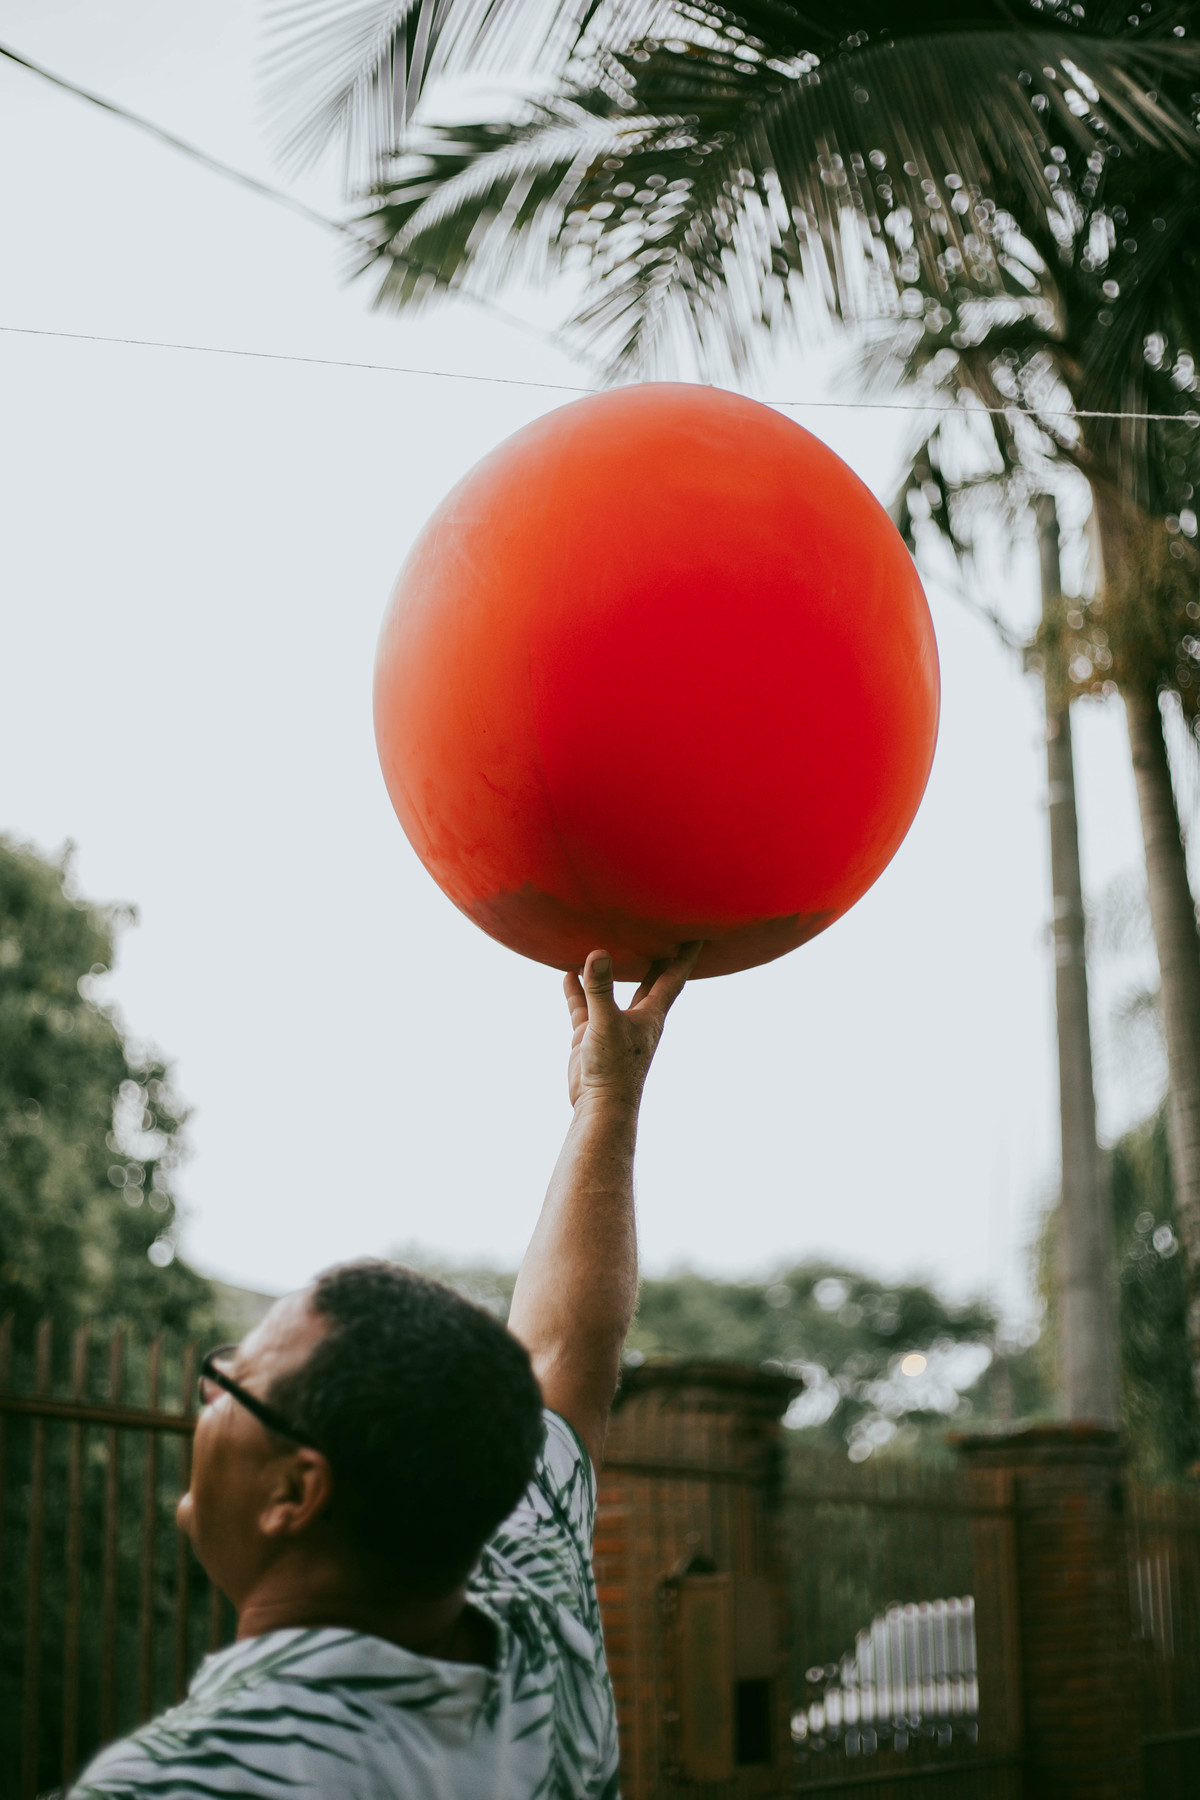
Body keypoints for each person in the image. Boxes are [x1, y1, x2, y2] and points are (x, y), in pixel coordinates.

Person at [70, 942, 700, 1800]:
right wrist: (608, 1097)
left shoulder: (186, 1782)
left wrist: (609, 1097)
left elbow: (561, 1354)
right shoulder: (531, 1610)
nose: (207, 1391)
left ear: (296, 1490)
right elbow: (565, 1348)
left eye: (235, 1381)